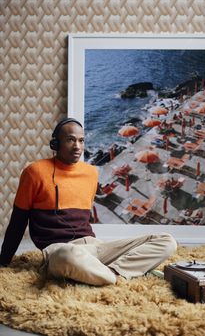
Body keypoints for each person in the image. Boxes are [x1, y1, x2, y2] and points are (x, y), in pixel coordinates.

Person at [0, 118, 177, 286]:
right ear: (55, 144)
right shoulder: (34, 172)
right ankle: (117, 275)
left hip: (94, 247)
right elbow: (18, 221)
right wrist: (4, 261)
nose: (77, 146)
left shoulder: (91, 173)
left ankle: (112, 274)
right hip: (59, 251)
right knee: (68, 255)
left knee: (166, 241)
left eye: (81, 140)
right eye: (70, 140)